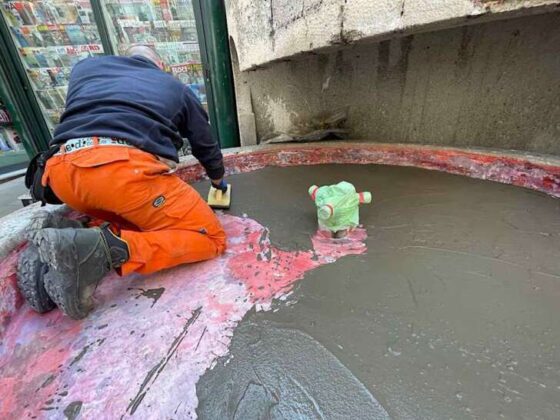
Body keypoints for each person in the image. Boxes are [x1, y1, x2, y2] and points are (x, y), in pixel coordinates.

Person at [22, 45, 228, 320]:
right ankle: (101, 251)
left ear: (124, 57)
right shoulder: (174, 87)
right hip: (121, 173)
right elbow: (205, 145)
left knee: (137, 221)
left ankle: (69, 236)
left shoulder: (85, 69)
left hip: (62, 173)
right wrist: (218, 183)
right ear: (160, 66)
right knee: (211, 238)